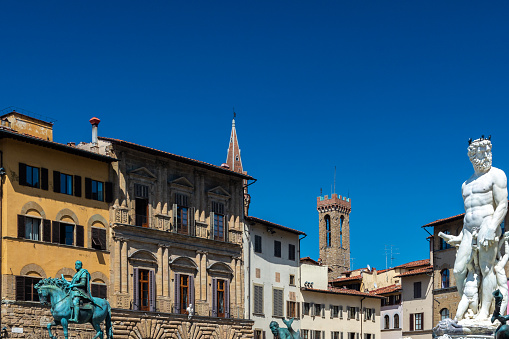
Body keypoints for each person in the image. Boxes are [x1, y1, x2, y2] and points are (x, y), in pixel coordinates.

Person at [449, 137, 507, 319]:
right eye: (482, 152)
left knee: (486, 268)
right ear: (472, 155)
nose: (486, 156)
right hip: (467, 230)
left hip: (487, 224)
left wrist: (491, 227)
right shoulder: (465, 185)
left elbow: (503, 205)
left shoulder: (497, 175)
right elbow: (469, 213)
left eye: (488, 152)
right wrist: (459, 236)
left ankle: (484, 312)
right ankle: (470, 306)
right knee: (458, 270)